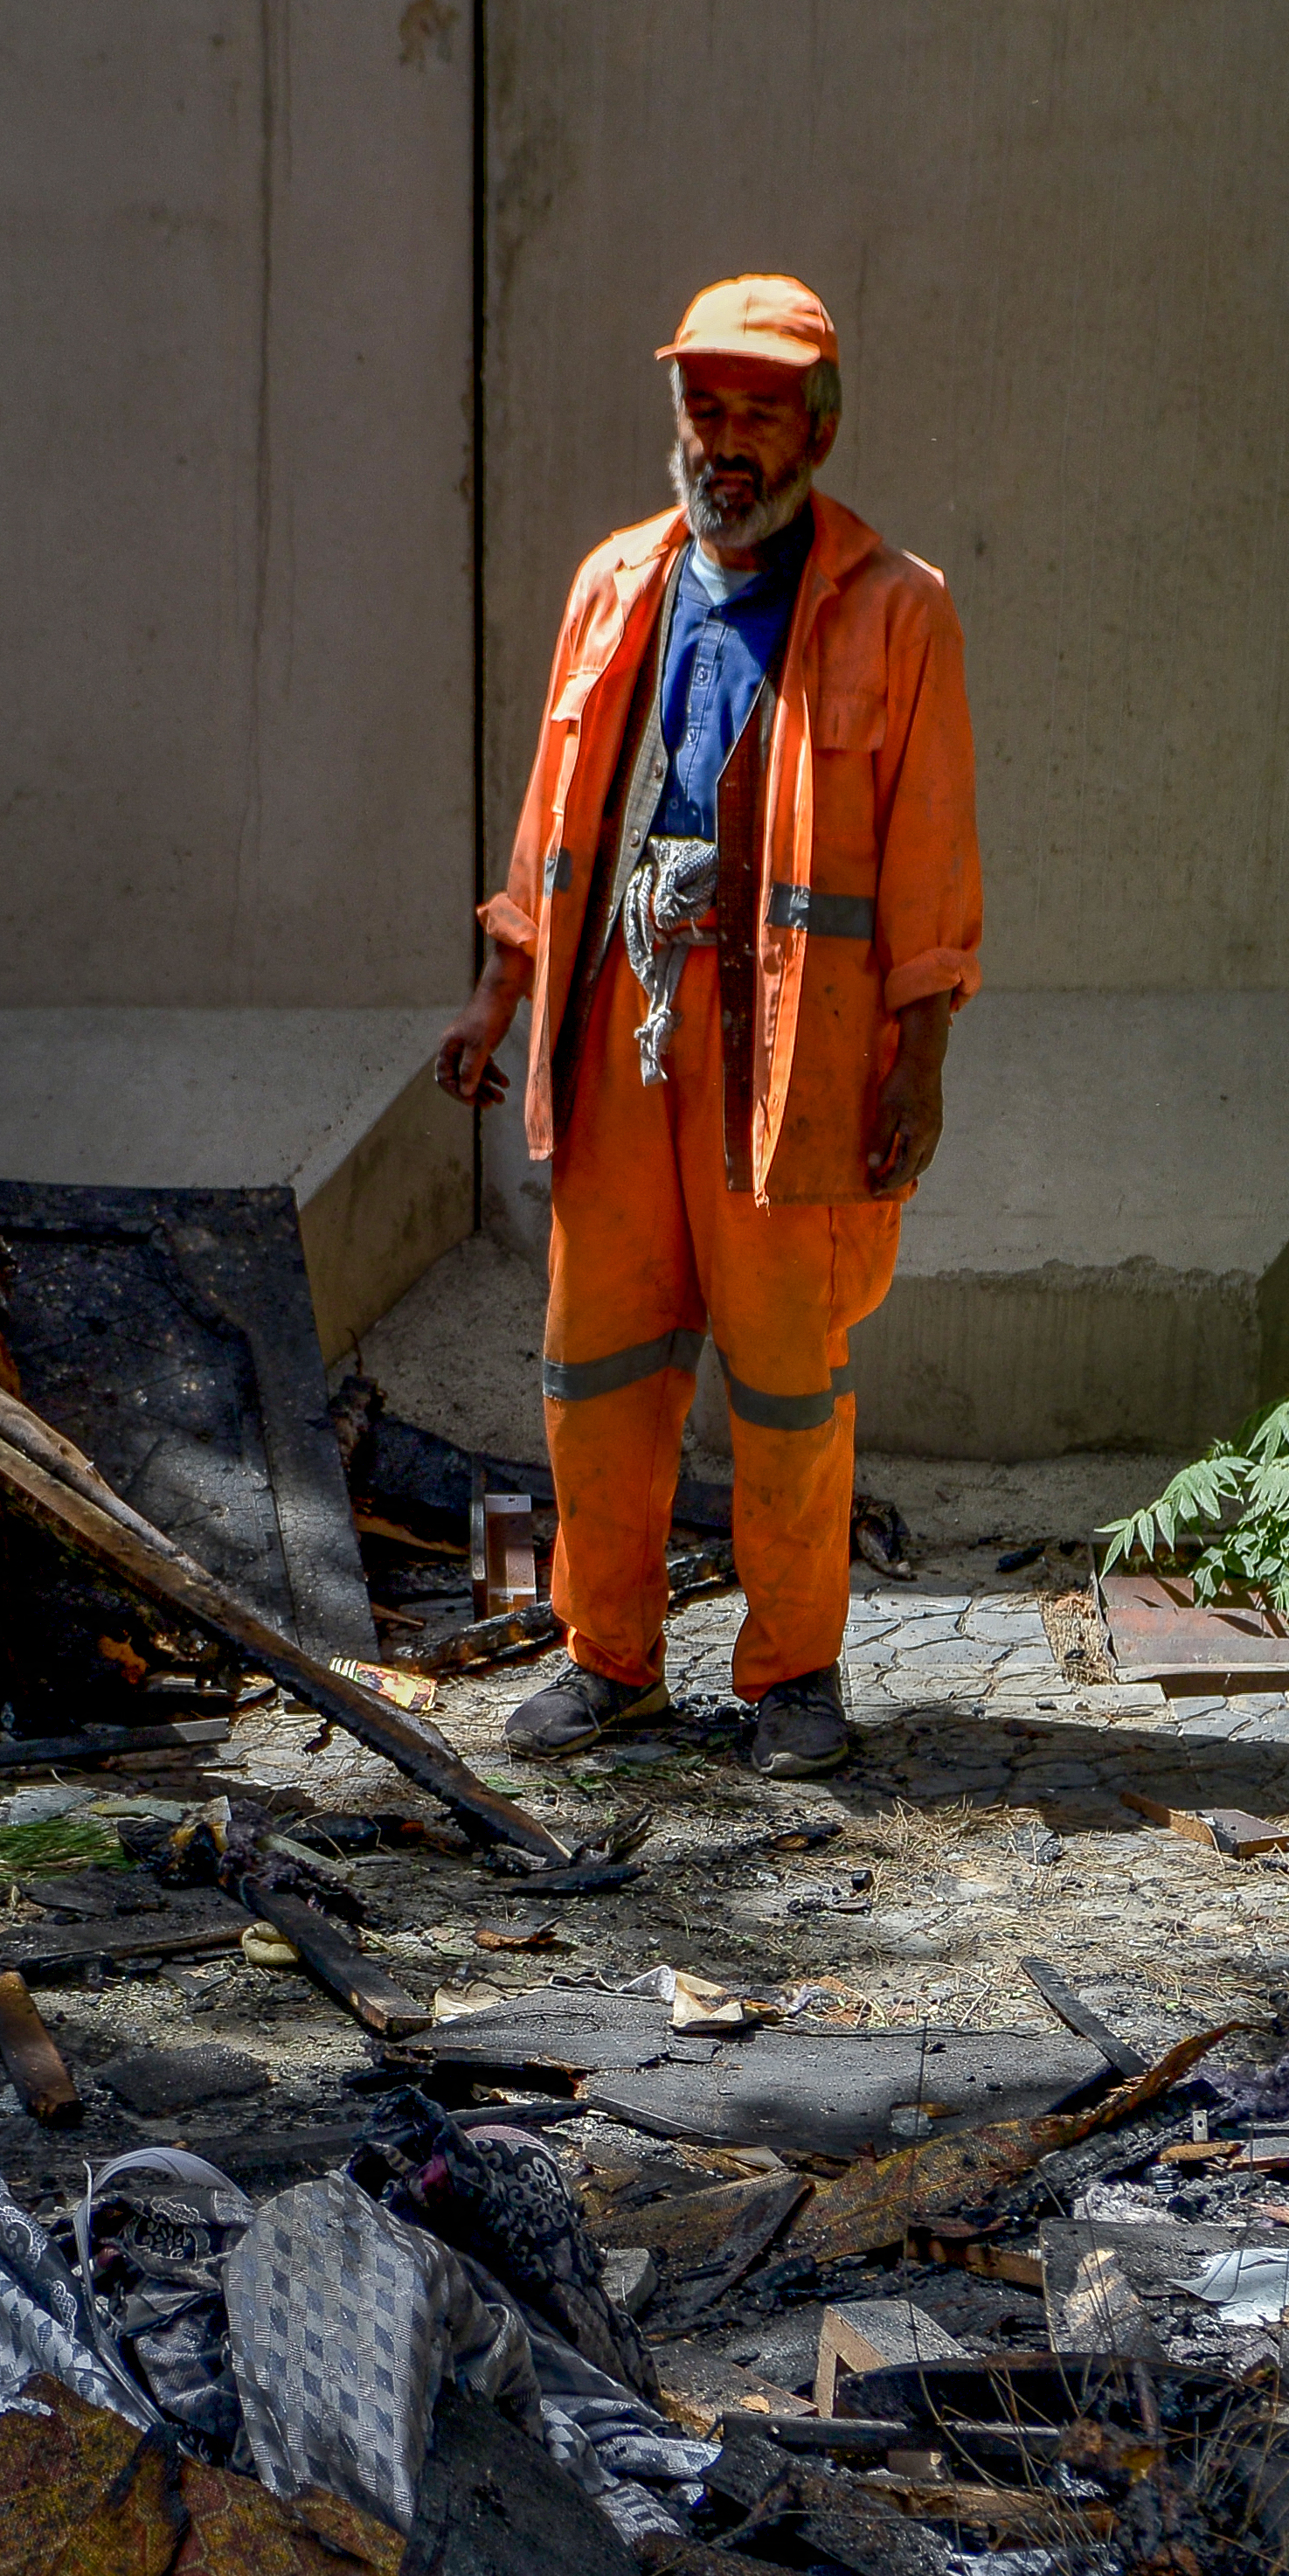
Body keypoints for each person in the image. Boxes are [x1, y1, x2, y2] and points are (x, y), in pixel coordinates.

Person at [430, 273, 979, 1781]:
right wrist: (501, 987)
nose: (724, 441)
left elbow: (929, 853)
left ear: (817, 422)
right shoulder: (615, 582)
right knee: (595, 1358)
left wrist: (918, 1059)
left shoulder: (895, 607)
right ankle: (606, 1658)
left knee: (786, 1373)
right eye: (703, 407)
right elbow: (555, 818)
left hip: (789, 1053)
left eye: (755, 411)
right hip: (621, 1020)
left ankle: (793, 1675)